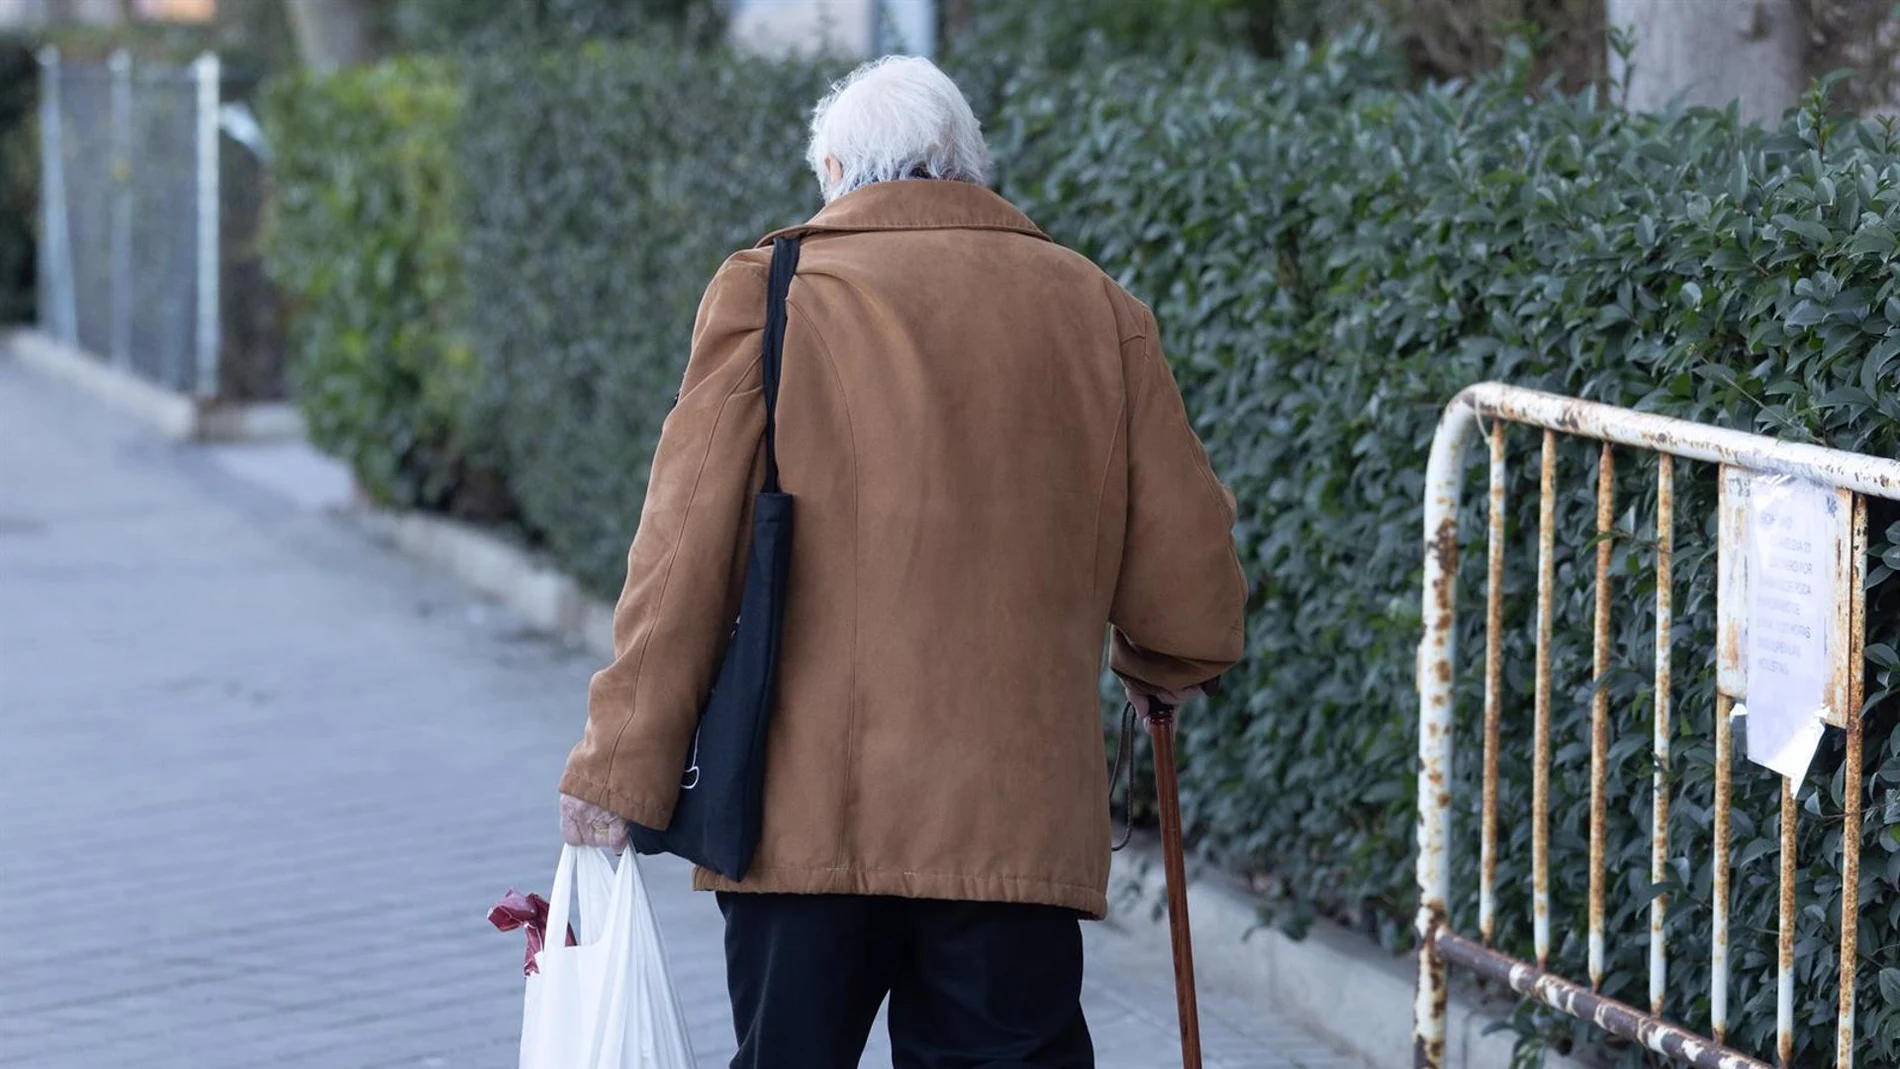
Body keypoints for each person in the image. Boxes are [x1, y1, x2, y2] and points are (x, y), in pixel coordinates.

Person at [557, 54, 1247, 1069]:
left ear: (836, 170)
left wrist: (619, 766)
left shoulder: (775, 290)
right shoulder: (1097, 308)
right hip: (1012, 824)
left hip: (802, 821)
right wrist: (1165, 664)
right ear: (968, 166)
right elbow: (1187, 575)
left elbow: (683, 548)